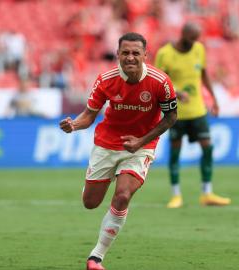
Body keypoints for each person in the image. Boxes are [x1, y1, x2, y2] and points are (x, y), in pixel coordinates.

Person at [59, 32, 177, 270]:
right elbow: (89, 115)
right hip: (107, 143)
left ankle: (96, 257)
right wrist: (74, 125)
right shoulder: (106, 79)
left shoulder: (160, 82)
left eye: (136, 53)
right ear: (118, 54)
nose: (130, 57)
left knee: (123, 195)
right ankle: (97, 181)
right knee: (90, 203)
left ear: (145, 54)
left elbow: (171, 117)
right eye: (125, 53)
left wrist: (141, 141)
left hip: (141, 145)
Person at [155, 22, 230, 208]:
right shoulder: (165, 54)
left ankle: (207, 193)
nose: (193, 42)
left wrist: (214, 98)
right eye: (191, 38)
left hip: (198, 110)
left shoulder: (199, 49)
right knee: (175, 151)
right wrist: (177, 92)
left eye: (196, 39)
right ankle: (176, 195)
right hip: (175, 112)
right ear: (182, 34)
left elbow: (204, 74)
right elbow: (158, 82)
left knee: (207, 147)